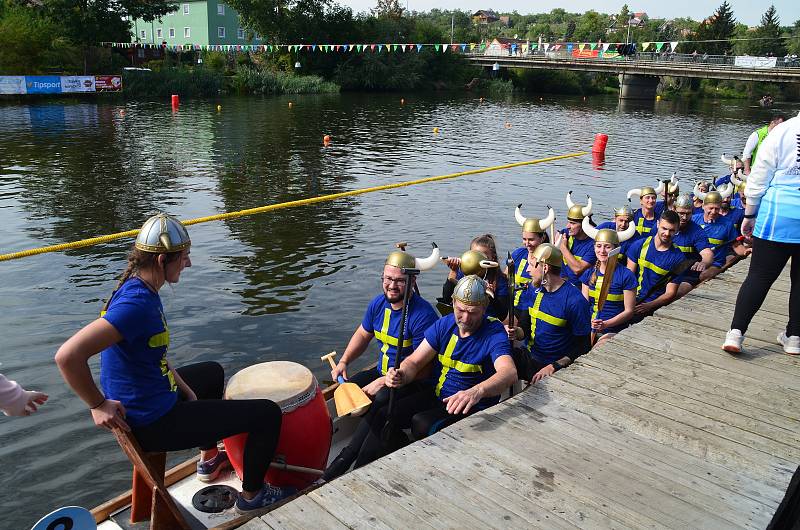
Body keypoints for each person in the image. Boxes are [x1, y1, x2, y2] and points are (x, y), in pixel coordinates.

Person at [54, 213, 293, 513]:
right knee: (267, 414)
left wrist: (185, 389)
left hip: (148, 398)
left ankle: (209, 459)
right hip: (152, 421)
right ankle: (253, 496)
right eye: (184, 258)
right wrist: (97, 404)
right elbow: (67, 356)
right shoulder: (136, 305)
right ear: (161, 260)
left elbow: (152, 355)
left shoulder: (137, 286)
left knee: (211, 373)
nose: (188, 264)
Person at [323, 245, 439, 480]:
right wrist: (344, 361)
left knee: (384, 399)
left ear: (411, 282)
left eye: (399, 281)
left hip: (414, 382)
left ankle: (351, 457)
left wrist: (384, 382)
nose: (392, 286)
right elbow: (363, 335)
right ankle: (388, 441)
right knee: (350, 387)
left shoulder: (423, 315)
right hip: (383, 371)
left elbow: (424, 367)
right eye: (387, 279)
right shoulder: (378, 304)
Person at [385, 276, 517, 439]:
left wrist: (476, 392)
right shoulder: (445, 324)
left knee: (421, 423)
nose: (466, 319)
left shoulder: (494, 332)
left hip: (471, 406)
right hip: (438, 395)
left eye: (473, 313)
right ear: (453, 303)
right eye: (461, 310)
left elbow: (509, 372)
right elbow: (414, 361)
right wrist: (401, 374)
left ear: (484, 308)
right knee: (388, 412)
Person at [723, 115, 800, 355]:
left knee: (759, 276)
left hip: (779, 213)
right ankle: (795, 337)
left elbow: (759, 176)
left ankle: (736, 334)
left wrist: (749, 214)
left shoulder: (782, 131)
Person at [507, 244, 592, 383]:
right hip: (529, 357)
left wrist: (555, 366)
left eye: (532, 265)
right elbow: (525, 325)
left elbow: (583, 346)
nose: (527, 270)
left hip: (554, 366)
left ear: (545, 267)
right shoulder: (533, 290)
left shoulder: (575, 301)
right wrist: (517, 332)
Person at [580, 218, 638, 344]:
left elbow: (629, 311)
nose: (602, 251)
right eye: (599, 246)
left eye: (607, 247)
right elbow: (583, 305)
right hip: (589, 326)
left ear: (616, 249)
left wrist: (605, 324)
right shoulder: (588, 274)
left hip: (612, 329)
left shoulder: (626, 276)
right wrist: (589, 321)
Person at [624, 210, 686, 320]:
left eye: (671, 230)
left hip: (653, 304)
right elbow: (628, 277)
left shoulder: (679, 258)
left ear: (677, 230)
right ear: (658, 224)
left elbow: (670, 293)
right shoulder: (639, 245)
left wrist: (649, 306)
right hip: (633, 298)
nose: (667, 234)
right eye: (664, 228)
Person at [442, 234, 509, 320]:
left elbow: (502, 315)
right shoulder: (461, 273)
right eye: (475, 255)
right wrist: (453, 270)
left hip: (486, 323)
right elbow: (446, 298)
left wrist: (490, 296)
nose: (477, 259)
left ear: (492, 258)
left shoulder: (500, 280)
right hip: (464, 320)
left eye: (483, 256)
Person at [692, 185, 747, 281]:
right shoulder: (694, 219)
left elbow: (736, 245)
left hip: (715, 264)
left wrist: (747, 252)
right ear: (703, 206)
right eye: (711, 208)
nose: (713, 212)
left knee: (703, 276)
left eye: (717, 208)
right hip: (694, 261)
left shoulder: (727, 224)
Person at [507, 205, 554, 306]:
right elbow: (505, 276)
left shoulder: (550, 259)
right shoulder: (518, 254)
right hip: (514, 306)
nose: (527, 243)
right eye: (524, 239)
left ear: (542, 238)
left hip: (534, 308)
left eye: (531, 240)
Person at [672, 194, 715, 298]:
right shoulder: (665, 227)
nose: (684, 217)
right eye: (681, 213)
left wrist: (704, 262)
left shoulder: (697, 231)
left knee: (676, 293)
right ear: (674, 210)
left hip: (687, 275)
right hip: (668, 272)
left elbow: (707, 253)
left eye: (688, 214)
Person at [558, 192, 595, 288]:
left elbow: (577, 269)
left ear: (584, 225)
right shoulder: (565, 234)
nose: (568, 226)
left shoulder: (594, 244)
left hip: (580, 289)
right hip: (563, 284)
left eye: (573, 223)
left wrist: (563, 248)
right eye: (568, 222)